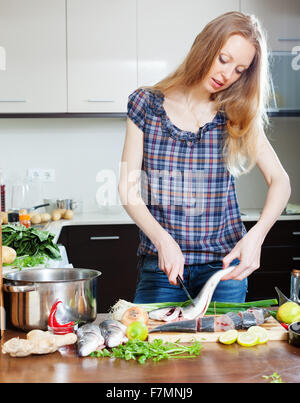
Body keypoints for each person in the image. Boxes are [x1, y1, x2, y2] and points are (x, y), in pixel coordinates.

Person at [118, 11, 291, 304]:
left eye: (239, 70)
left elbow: (280, 181)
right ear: (205, 46)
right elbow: (128, 188)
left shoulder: (237, 112)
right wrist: (163, 240)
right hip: (164, 268)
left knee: (222, 351)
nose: (227, 75)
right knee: (154, 345)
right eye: (224, 59)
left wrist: (256, 236)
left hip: (224, 268)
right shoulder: (146, 104)